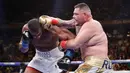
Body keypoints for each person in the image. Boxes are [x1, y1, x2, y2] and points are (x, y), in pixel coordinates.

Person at [39, 3, 113, 73]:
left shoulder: (91, 24)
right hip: (100, 64)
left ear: (85, 15)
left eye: (76, 14)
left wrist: (61, 44)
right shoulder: (80, 23)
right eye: (73, 14)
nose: (73, 16)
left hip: (96, 63)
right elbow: (64, 23)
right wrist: (48, 19)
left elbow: (75, 44)